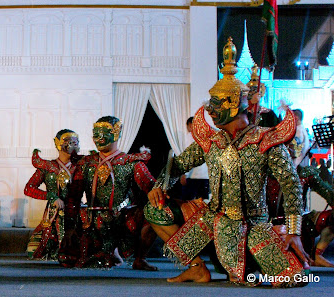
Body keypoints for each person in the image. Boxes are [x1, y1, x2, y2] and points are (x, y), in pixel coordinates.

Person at [145, 38, 310, 287]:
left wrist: (294, 231)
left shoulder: (265, 141)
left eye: (216, 103)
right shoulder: (212, 141)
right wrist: (160, 185)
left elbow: (291, 184)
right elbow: (177, 165)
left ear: (234, 104)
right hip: (213, 219)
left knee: (294, 277)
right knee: (154, 209)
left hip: (253, 226)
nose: (210, 110)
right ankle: (197, 267)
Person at [62, 116, 157, 270]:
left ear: (116, 134)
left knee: (156, 211)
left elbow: (152, 189)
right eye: (95, 135)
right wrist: (69, 227)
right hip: (92, 221)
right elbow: (74, 197)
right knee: (72, 258)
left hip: (123, 220)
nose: (98, 139)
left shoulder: (131, 162)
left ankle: (140, 258)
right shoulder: (86, 163)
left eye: (103, 134)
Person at [24, 129, 81, 260]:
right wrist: (51, 196)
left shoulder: (81, 166)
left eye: (76, 142)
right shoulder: (47, 167)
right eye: (69, 141)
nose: (74, 144)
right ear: (58, 143)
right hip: (53, 214)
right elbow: (29, 188)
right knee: (37, 249)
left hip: (76, 212)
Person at [180, 117, 209, 201]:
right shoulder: (205, 136)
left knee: (188, 203)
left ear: (190, 125)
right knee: (204, 203)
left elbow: (189, 157)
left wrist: (185, 173)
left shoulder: (190, 136)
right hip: (205, 175)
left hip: (193, 175)